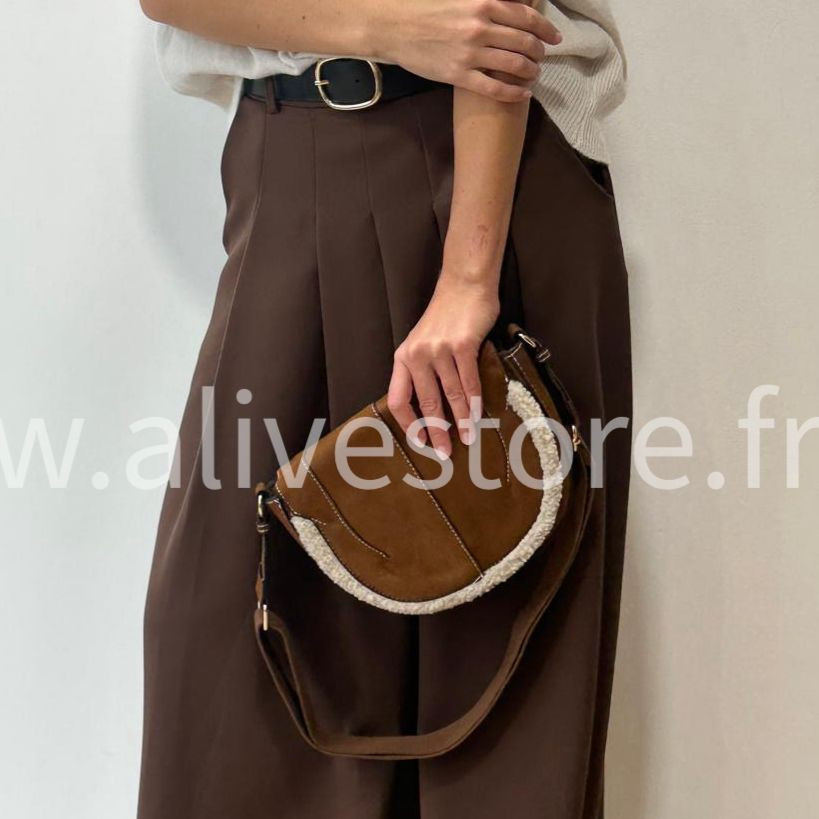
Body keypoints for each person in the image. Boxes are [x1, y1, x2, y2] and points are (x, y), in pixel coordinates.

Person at [137, 1, 632, 817]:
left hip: (491, 176)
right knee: (231, 625)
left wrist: (468, 278)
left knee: (495, 649)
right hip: (284, 159)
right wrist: (381, 29)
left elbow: (493, 24)